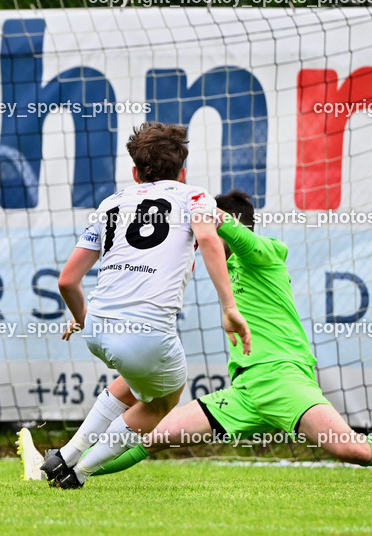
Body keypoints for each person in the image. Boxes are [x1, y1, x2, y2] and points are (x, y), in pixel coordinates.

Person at [22, 189, 372, 485]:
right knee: (153, 432)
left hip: (284, 380)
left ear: (227, 224)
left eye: (208, 229)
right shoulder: (218, 264)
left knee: (347, 447)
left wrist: (209, 215)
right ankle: (61, 470)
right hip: (244, 391)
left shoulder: (267, 255)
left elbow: (247, 243)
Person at [37, 122, 251, 489]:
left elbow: (67, 281)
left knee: (136, 382)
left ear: (135, 173)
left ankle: (65, 455)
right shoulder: (194, 196)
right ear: (183, 173)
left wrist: (82, 319)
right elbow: (210, 240)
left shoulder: (110, 204)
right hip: (146, 335)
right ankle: (79, 473)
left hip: (99, 329)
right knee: (165, 399)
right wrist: (229, 306)